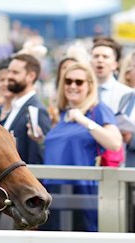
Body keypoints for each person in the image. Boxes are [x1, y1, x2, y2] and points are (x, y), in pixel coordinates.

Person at [32, 62, 122, 232]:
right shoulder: (64, 114)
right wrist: (41, 139)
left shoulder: (98, 110)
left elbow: (115, 143)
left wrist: (84, 120)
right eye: (68, 81)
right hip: (54, 191)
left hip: (81, 190)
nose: (72, 86)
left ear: (89, 85)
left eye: (79, 82)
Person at [0, 53, 51, 165]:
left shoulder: (36, 111)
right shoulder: (13, 107)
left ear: (31, 76)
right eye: (9, 71)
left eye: (15, 72)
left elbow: (37, 158)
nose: (9, 76)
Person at [92, 37, 131, 114]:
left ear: (115, 64)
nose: (100, 60)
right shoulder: (80, 90)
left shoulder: (127, 94)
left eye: (105, 57)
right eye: (96, 56)